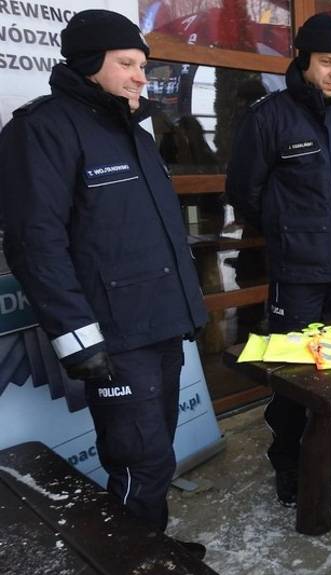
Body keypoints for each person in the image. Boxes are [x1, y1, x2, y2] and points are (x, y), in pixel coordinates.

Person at [0, 10, 208, 556]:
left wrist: (189, 309)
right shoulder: (41, 129)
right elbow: (34, 244)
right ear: (90, 63)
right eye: (127, 64)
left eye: (143, 65)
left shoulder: (132, 131)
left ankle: (150, 549)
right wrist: (78, 338)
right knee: (141, 461)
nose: (141, 77)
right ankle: (132, 560)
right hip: (113, 338)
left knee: (155, 453)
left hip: (160, 325)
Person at [225, 13, 331, 507]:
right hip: (297, 274)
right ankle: (288, 458)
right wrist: (286, 232)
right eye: (327, 62)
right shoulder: (270, 117)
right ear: (303, 59)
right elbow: (244, 191)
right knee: (294, 373)